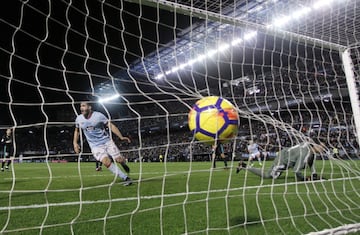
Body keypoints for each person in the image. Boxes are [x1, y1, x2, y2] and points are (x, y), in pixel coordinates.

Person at [73, 102, 132, 185]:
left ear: (89, 107)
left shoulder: (99, 116)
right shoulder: (79, 119)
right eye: (80, 106)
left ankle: (123, 163)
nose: (81, 108)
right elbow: (77, 131)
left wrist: (121, 137)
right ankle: (125, 178)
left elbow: (110, 125)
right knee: (106, 162)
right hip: (95, 146)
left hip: (107, 141)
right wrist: (75, 143)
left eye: (83, 106)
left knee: (118, 159)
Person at [236, 142, 326, 181]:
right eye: (321, 146)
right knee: (268, 176)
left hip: (286, 155)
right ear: (315, 146)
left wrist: (314, 174)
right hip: (283, 160)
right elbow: (296, 170)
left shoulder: (308, 147)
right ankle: (244, 166)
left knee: (306, 162)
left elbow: (311, 162)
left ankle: (244, 165)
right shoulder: (305, 153)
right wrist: (304, 179)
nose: (322, 149)